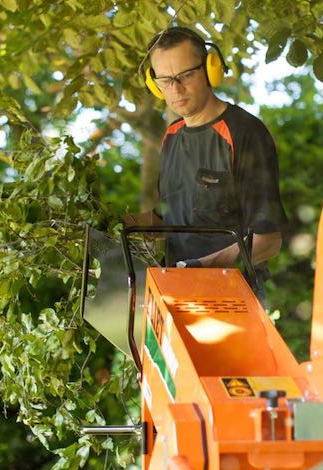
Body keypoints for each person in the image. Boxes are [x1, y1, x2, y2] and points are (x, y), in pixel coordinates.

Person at [130, 26, 288, 299]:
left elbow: (269, 240)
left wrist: (202, 267)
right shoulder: (171, 136)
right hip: (176, 293)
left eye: (186, 75)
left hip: (233, 297)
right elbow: (167, 218)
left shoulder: (244, 132)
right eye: (165, 80)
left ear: (210, 70)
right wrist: (109, 226)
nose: (175, 89)